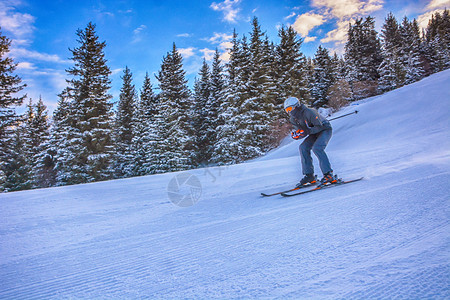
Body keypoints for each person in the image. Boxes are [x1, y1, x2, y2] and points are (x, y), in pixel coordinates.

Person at [284, 96, 336, 187]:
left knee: (317, 148)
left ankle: (328, 174)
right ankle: (309, 175)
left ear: (296, 106)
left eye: (289, 109)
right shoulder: (293, 119)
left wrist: (306, 131)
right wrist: (298, 135)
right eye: (286, 110)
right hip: (313, 133)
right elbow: (303, 131)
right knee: (303, 147)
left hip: (324, 129)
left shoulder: (309, 112)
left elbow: (319, 126)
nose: (289, 112)